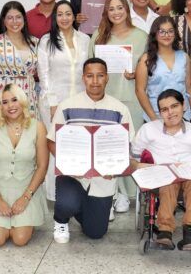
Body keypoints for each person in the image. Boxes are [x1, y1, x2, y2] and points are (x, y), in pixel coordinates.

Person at [49, 58, 134, 243]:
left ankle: (81, 208)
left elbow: (125, 146)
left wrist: (116, 168)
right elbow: (52, 141)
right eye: (90, 76)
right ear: (83, 78)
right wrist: (67, 164)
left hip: (102, 179)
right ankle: (61, 219)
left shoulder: (120, 110)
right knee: (67, 203)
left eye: (100, 75)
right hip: (73, 176)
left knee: (96, 232)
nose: (95, 81)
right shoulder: (67, 106)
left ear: (107, 78)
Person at [130, 89, 191, 250]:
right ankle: (165, 232)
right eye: (164, 109)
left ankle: (190, 231)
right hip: (162, 178)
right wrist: (138, 165)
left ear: (184, 106)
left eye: (174, 106)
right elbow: (131, 157)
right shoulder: (148, 130)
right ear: (159, 112)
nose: (170, 112)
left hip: (190, 175)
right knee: (168, 183)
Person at [90, 0, 147, 215]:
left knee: (131, 147)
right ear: (106, 12)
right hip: (104, 99)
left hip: (131, 99)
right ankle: (115, 193)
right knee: (107, 147)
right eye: (111, 9)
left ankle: (134, 192)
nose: (116, 12)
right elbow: (90, 67)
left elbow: (149, 68)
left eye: (119, 8)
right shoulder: (98, 35)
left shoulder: (141, 36)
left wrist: (137, 74)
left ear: (127, 9)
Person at [0, 85, 47, 247]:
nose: (11, 106)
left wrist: (25, 197)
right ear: (0, 106)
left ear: (23, 101)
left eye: (14, 100)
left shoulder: (38, 128)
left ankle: (25, 220)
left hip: (26, 189)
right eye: (5, 102)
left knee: (20, 239)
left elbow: (42, 167)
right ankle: (2, 220)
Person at [0, 1, 38, 123]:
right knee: (1, 134)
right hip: (2, 94)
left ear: (24, 19)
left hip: (27, 93)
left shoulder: (35, 42)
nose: (15, 22)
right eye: (10, 18)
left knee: (27, 134)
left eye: (18, 17)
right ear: (4, 20)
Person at [37, 0, 90, 127]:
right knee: (54, 143)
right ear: (55, 17)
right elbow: (43, 74)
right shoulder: (46, 41)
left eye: (68, 14)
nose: (64, 18)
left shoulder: (85, 39)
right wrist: (53, 103)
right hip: (54, 102)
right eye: (60, 14)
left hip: (81, 100)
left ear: (73, 17)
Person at [135, 16, 191, 123]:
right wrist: (154, 119)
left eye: (170, 31)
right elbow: (140, 91)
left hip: (183, 115)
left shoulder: (184, 57)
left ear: (175, 33)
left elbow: (189, 88)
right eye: (162, 32)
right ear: (155, 34)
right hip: (157, 116)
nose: (166, 35)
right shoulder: (146, 59)